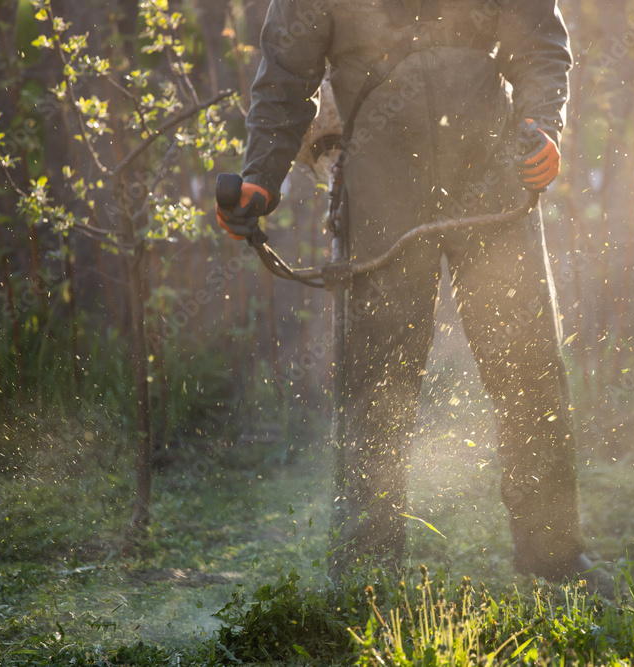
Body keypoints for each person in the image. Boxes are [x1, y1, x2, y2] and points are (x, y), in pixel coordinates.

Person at [216, 0, 590, 584]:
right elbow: (287, 72)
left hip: (491, 166)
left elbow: (539, 39)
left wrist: (541, 124)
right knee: (376, 382)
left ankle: (555, 559)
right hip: (379, 173)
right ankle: (365, 571)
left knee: (529, 364)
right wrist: (260, 175)